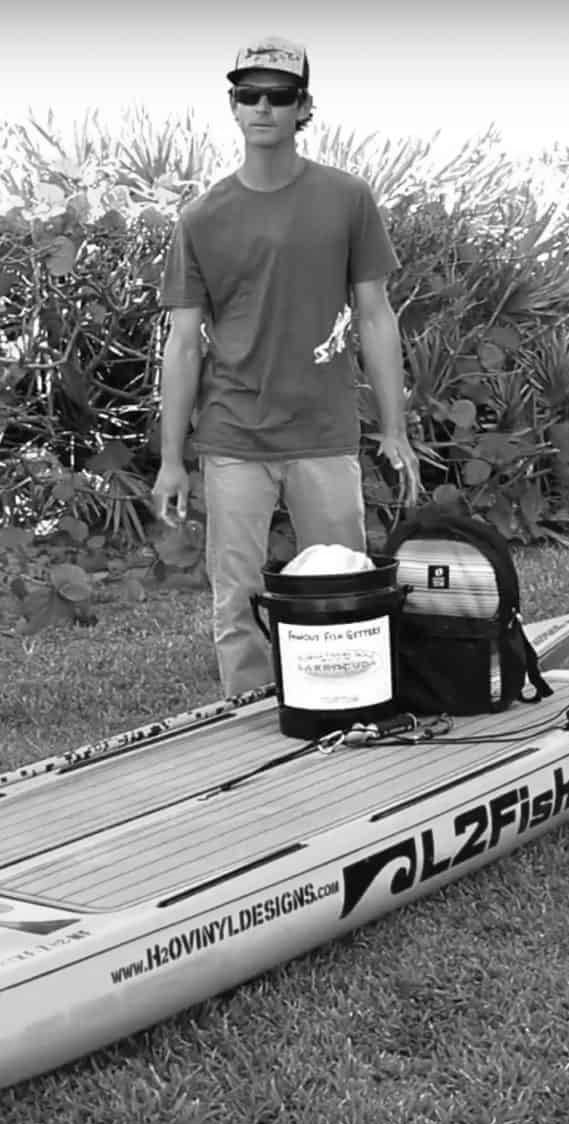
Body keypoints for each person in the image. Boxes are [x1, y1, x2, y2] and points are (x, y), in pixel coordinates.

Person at [150, 34, 422, 698]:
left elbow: (376, 314)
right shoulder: (202, 218)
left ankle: (357, 704)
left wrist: (395, 427)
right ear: (233, 107)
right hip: (235, 435)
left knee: (348, 586)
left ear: (304, 108)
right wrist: (170, 458)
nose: (263, 107)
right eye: (250, 95)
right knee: (237, 599)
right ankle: (247, 723)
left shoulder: (346, 199)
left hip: (324, 433)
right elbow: (183, 345)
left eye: (280, 96)